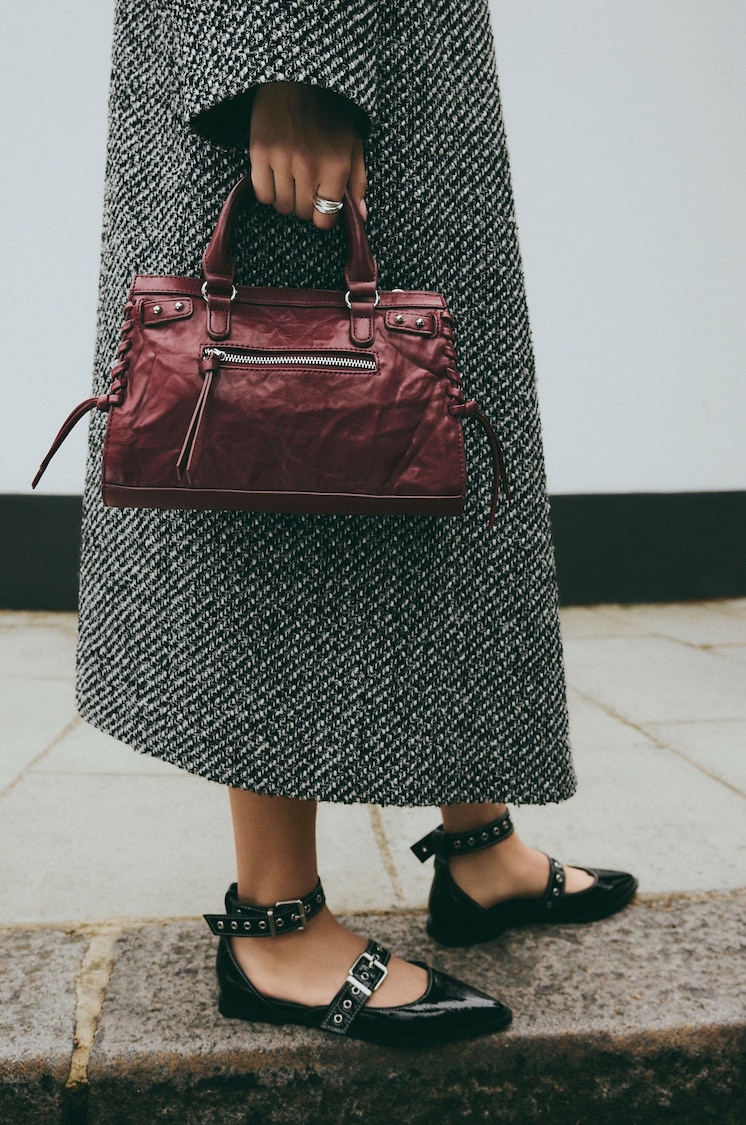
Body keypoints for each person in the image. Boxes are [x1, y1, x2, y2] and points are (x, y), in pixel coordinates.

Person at [75, 2, 636, 1047]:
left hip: (397, 53)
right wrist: (286, 65)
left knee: (420, 460)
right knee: (289, 455)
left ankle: (479, 842)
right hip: (313, 55)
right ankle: (274, 921)